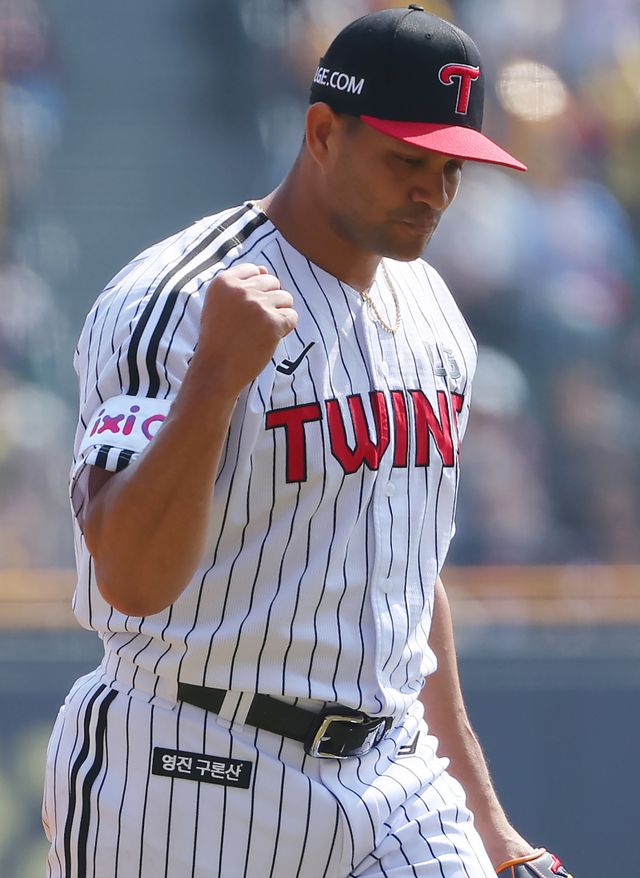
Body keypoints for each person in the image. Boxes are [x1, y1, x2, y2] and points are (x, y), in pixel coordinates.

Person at [43, 6, 573, 878]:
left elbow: (408, 581)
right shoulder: (176, 299)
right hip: (189, 764)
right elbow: (130, 581)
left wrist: (490, 826)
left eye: (452, 167)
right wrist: (214, 382)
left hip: (395, 777)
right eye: (407, 160)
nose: (434, 192)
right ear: (323, 132)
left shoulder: (434, 310)